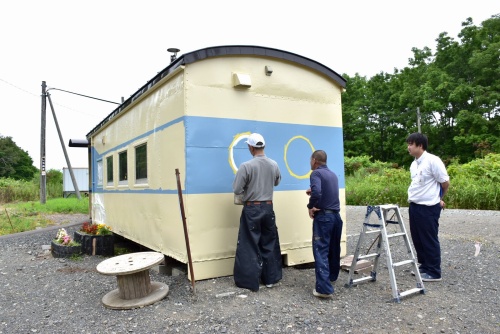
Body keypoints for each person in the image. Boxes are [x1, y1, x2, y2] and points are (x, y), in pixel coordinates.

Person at [232, 133, 282, 291]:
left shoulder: (246, 166)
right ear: (263, 146)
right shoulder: (273, 164)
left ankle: (250, 282)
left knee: (249, 243)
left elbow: (237, 189)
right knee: (269, 242)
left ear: (251, 147)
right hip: (268, 207)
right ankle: (270, 279)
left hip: (252, 208)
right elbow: (277, 181)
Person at [406, 132, 450, 282]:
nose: (408, 147)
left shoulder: (433, 161)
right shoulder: (414, 164)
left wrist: (439, 199)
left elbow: (445, 183)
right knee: (417, 238)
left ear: (420, 145)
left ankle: (434, 271)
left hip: (429, 207)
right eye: (408, 144)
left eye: (411, 144)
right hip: (415, 206)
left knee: (429, 239)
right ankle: (424, 266)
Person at [306, 150, 343, 298]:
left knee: (320, 250)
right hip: (336, 217)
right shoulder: (332, 175)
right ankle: (331, 277)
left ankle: (323, 289)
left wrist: (310, 206)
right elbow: (325, 193)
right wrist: (315, 193)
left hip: (324, 218)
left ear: (315, 160)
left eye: (310, 160)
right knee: (333, 249)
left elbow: (317, 193)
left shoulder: (316, 174)